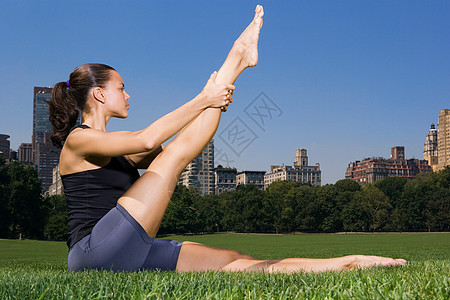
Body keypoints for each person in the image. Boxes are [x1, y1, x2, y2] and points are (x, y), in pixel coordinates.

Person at [48, 5, 406, 273]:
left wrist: (218, 98)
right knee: (167, 161)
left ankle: (350, 262)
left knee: (238, 262)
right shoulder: (77, 142)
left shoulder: (117, 146)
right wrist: (205, 98)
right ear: (97, 94)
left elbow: (184, 147)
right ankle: (236, 55)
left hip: (130, 245)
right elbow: (147, 140)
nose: (128, 96)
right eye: (121, 88)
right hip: (93, 252)